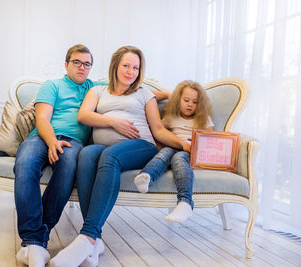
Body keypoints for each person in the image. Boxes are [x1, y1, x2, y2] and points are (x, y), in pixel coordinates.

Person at [48, 46, 190, 267]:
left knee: (110, 156)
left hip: (141, 145)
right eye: (126, 65)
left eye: (136, 67)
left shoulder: (144, 94)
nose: (131, 71)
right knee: (86, 154)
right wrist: (114, 122)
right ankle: (95, 242)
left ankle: (86, 236)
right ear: (115, 66)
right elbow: (84, 115)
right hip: (102, 147)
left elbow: (158, 130)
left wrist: (184, 144)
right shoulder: (98, 91)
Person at [14, 44, 107, 267]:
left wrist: (171, 95)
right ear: (66, 64)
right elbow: (42, 119)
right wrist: (52, 141)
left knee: (66, 169)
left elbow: (135, 89)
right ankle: (33, 239)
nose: (82, 67)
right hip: (43, 136)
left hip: (74, 143)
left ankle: (35, 242)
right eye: (77, 62)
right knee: (25, 163)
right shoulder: (52, 85)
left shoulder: (96, 88)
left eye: (87, 64)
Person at [134, 80, 213, 223]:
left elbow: (209, 140)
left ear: (200, 104)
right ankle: (146, 176)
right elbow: (158, 132)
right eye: (186, 100)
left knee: (179, 157)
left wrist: (197, 146)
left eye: (195, 102)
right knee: (165, 152)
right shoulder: (171, 116)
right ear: (178, 99)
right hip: (172, 147)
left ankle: (185, 202)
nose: (190, 104)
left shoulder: (203, 119)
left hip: (189, 152)